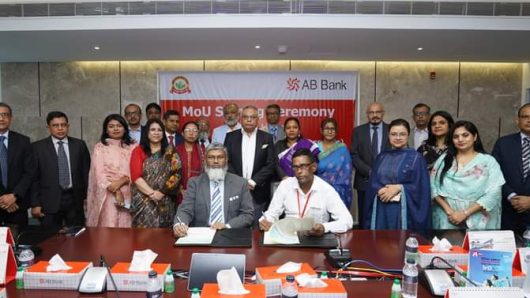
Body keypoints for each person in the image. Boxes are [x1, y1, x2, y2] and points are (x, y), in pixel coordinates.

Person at [259, 148, 353, 235]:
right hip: (289, 238)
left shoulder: (326, 189)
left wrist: (324, 227)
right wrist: (266, 221)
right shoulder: (285, 185)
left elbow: (347, 221)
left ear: (314, 167)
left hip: (316, 240)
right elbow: (272, 213)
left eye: (303, 166)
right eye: (295, 167)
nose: (299, 171)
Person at [431, 120, 505, 230]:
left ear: (475, 137)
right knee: (448, 247)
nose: (460, 139)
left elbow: (494, 192)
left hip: (479, 217)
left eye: (465, 135)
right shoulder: (444, 160)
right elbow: (433, 188)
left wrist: (465, 213)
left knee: (477, 247)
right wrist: (450, 211)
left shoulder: (488, 161)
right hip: (447, 217)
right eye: (456, 137)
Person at [173, 143, 254, 237]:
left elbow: (247, 214)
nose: (216, 161)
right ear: (205, 160)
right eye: (211, 157)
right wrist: (180, 224)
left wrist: (227, 226)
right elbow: (185, 209)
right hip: (201, 235)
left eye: (220, 157)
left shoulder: (240, 183)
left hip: (230, 233)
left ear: (226, 160)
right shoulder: (194, 183)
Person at [365, 119, 431, 232]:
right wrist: (378, 189)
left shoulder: (416, 157)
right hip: (381, 207)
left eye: (402, 134)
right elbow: (373, 181)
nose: (398, 137)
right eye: (394, 134)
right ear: (388, 135)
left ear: (408, 135)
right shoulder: (382, 156)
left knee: (398, 245)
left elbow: (422, 187)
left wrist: (399, 187)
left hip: (402, 210)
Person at [31, 111, 91, 227]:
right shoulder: (37, 147)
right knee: (50, 239)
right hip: (48, 201)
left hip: (75, 199)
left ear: (68, 126)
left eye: (63, 125)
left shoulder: (79, 145)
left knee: (77, 237)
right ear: (48, 127)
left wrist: (88, 197)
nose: (60, 129)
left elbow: (87, 173)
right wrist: (35, 203)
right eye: (55, 125)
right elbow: (34, 178)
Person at [225, 105, 276, 223]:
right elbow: (226, 162)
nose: (249, 120)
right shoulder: (231, 137)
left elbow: (271, 164)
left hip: (259, 191)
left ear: (258, 120)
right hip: (235, 189)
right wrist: (241, 182)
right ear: (240, 119)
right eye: (246, 117)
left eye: (252, 117)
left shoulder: (266, 138)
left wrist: (254, 181)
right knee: (235, 227)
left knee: (257, 228)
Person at [130, 118, 182, 228]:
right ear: (147, 133)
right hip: (143, 199)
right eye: (152, 130)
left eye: (159, 130)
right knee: (143, 236)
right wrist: (152, 194)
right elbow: (136, 176)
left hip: (165, 199)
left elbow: (176, 173)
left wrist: (162, 192)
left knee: (164, 236)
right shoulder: (139, 150)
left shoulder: (170, 151)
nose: (156, 133)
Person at [86, 114, 136, 227]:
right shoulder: (100, 147)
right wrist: (116, 191)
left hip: (129, 192)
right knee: (109, 226)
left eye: (119, 125)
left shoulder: (133, 147)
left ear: (124, 128)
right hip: (107, 194)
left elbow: (137, 170)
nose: (116, 129)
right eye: (111, 126)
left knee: (126, 228)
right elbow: (99, 174)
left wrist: (122, 181)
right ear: (106, 130)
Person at [351, 102, 391, 228]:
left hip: (387, 181)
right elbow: (354, 155)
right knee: (364, 216)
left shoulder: (391, 130)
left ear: (383, 113)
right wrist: (369, 171)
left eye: (378, 112)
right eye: (371, 112)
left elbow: (395, 153)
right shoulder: (358, 131)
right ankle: (363, 244)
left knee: (384, 215)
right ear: (367, 115)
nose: (375, 115)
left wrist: (383, 171)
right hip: (364, 181)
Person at [492, 104, 530, 231]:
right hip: (507, 212)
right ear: (517, 120)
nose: (529, 120)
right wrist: (511, 196)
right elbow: (493, 175)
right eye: (525, 116)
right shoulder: (503, 143)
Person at [0, 103, 33, 229]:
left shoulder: (23, 141)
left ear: (11, 118)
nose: (1, 118)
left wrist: (14, 196)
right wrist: (3, 200)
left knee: (19, 244)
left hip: (18, 205)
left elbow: (29, 172)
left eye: (5, 115)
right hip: (6, 202)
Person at [316, 118, 353, 208]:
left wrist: (333, 186)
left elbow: (346, 173)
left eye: (332, 129)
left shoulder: (342, 149)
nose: (330, 131)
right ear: (321, 130)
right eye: (327, 128)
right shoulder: (315, 147)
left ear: (336, 132)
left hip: (338, 192)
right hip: (318, 190)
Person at [175, 121, 205, 205]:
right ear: (182, 133)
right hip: (179, 194)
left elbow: (207, 173)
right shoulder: (175, 151)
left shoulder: (204, 151)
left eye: (195, 131)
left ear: (198, 134)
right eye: (188, 130)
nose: (191, 133)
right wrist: (180, 190)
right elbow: (169, 173)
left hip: (199, 193)